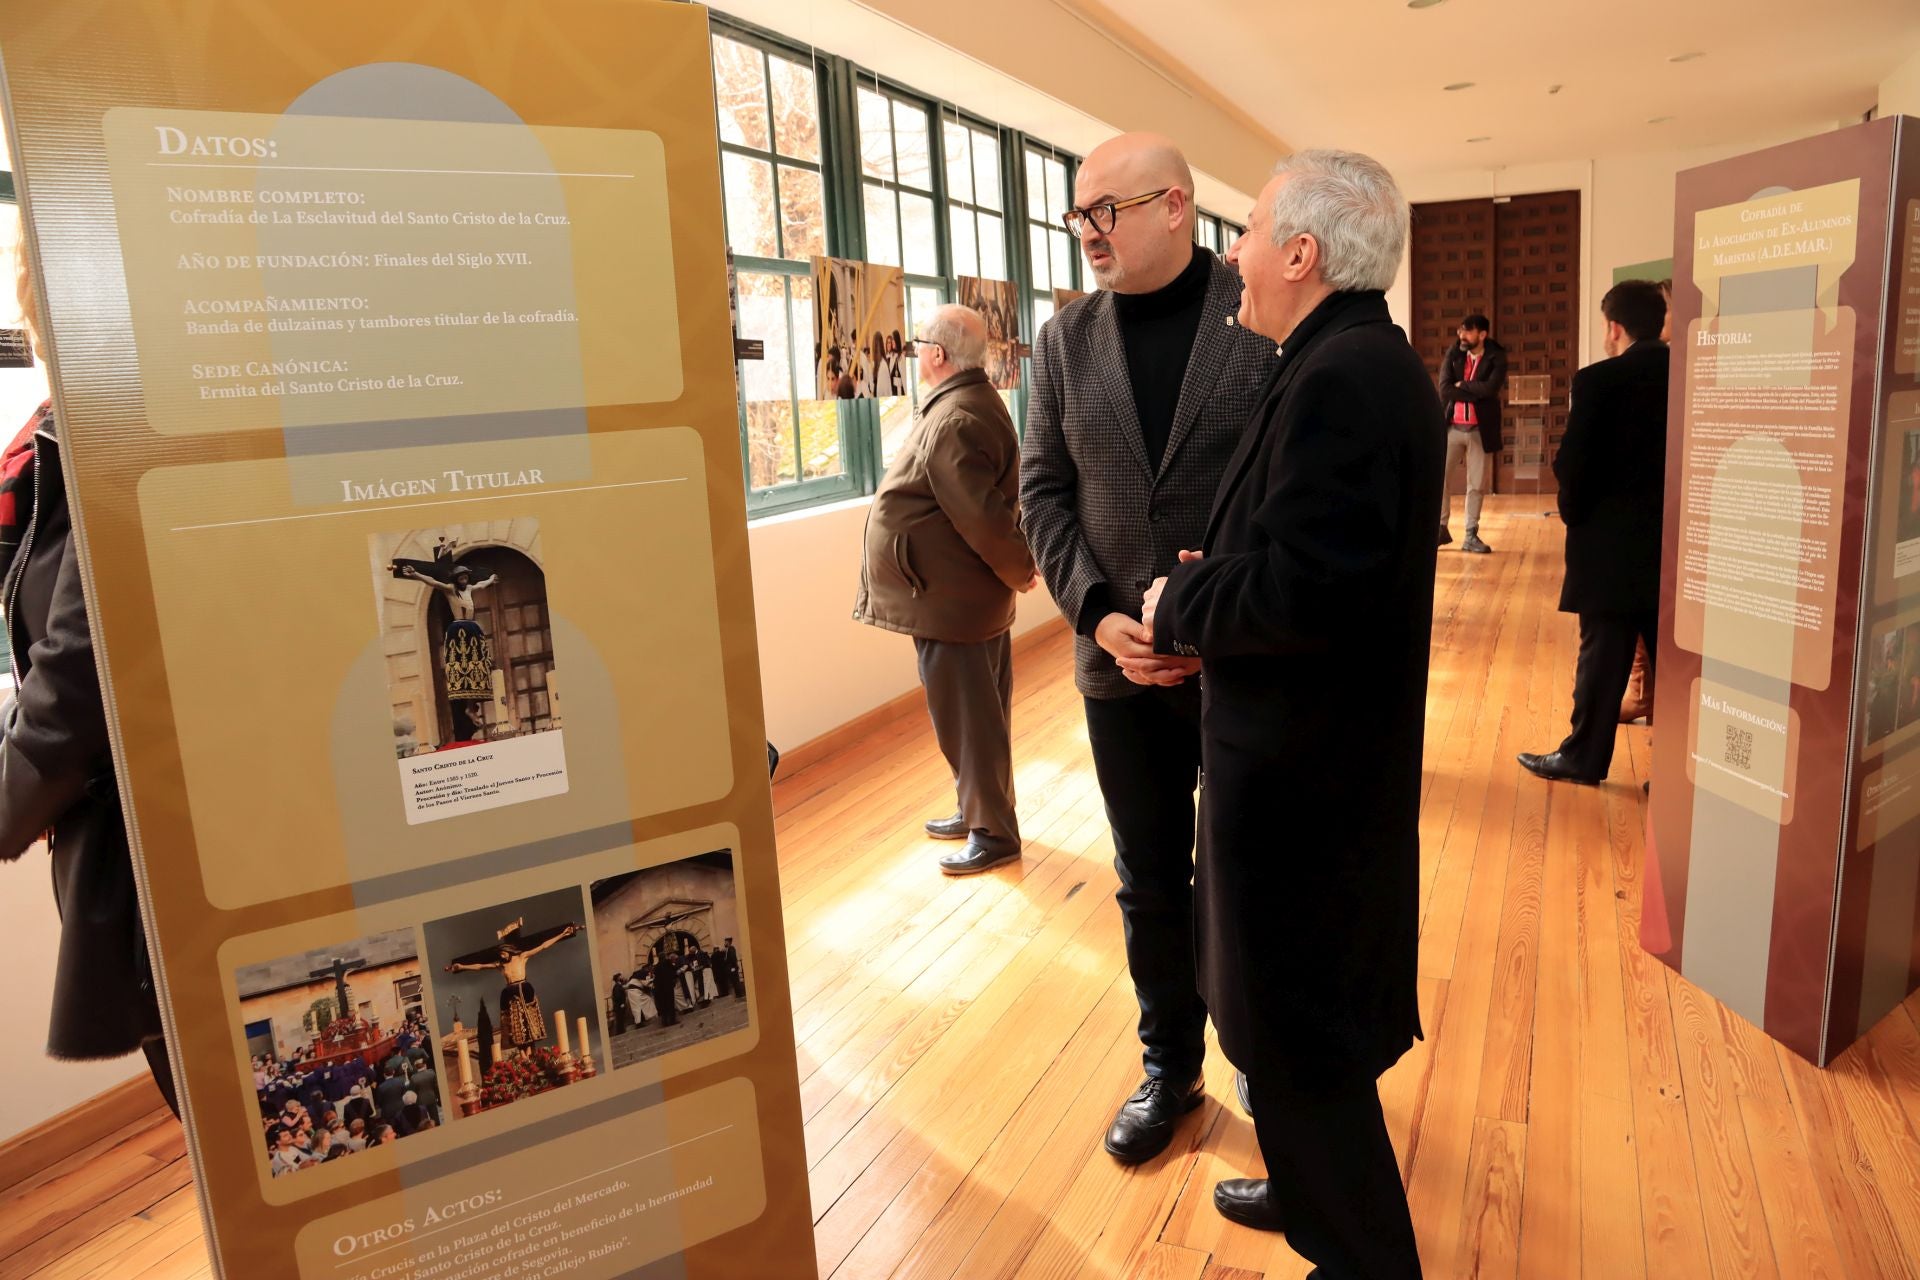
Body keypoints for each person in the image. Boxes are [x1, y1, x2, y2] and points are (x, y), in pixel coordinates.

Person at [1142, 147, 1437, 1277]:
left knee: (1303, 1038)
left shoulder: (1345, 377)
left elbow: (1308, 591)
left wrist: (1180, 604)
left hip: (1304, 785)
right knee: (1286, 1024)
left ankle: (1361, 1253)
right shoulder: (1339, 358)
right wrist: (1215, 584)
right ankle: (1305, 1188)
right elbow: (1298, 550)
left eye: (1253, 229)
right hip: (1306, 762)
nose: (1236, 253)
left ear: (1304, 253)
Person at [1021, 132, 1276, 1164]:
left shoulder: (1258, 312)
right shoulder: (1064, 340)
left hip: (1241, 658)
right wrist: (1094, 610)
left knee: (1249, 867)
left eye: (1107, 211)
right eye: (1078, 215)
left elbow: (1286, 488)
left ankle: (1260, 1053)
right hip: (1117, 666)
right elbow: (1043, 492)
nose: (1088, 232)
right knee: (1148, 876)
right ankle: (1171, 1065)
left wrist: (1220, 616)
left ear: (1176, 205)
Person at [0, 242, 176, 1117]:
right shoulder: (48, 448)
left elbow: (78, 673)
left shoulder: (110, 441)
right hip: (130, 842)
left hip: (161, 851)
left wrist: (8, 801)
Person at [854, 303, 1038, 875]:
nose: (915, 356)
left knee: (970, 722)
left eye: (917, 347)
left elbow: (981, 517)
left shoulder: (956, 416)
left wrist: (1021, 569)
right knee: (978, 715)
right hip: (956, 596)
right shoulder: (967, 403)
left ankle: (993, 833)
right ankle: (977, 808)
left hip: (952, 601)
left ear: (936, 354)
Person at [1519, 279, 1671, 785]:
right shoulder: (1690, 377)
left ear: (1614, 327)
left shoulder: (1598, 381)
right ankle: (1679, 776)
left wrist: (1573, 513)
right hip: (1676, 546)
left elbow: (1573, 464)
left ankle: (1583, 758)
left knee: (1602, 659)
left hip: (1610, 548)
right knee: (1678, 665)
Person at [1436, 313, 1505, 554]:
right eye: (1460, 330)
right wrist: (1475, 391)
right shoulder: (1454, 353)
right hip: (1452, 427)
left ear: (1482, 334)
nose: (1461, 335)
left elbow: (1491, 389)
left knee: (1476, 484)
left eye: (1467, 331)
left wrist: (1462, 385)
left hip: (1480, 430)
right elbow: (1444, 389)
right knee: (1440, 479)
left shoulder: (1496, 356)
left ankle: (1470, 535)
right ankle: (1441, 528)